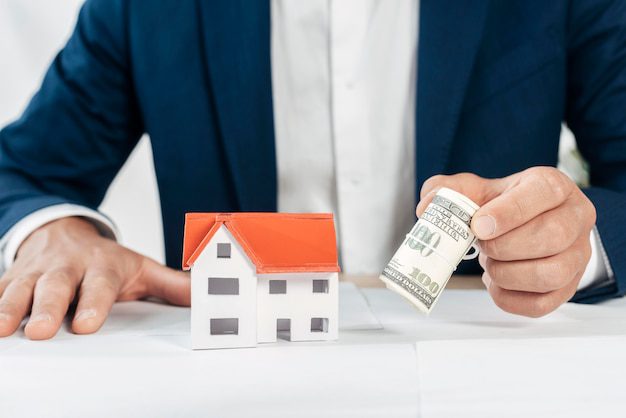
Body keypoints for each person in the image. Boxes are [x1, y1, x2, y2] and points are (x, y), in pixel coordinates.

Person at [0, 0, 623, 341]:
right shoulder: (142, 8)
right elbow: (19, 172)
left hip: (491, 378)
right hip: (232, 391)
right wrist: (52, 232)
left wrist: (576, 243)